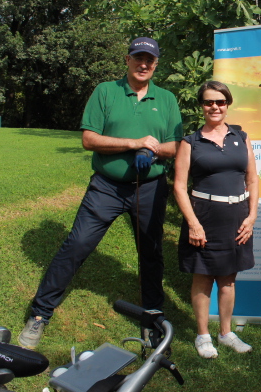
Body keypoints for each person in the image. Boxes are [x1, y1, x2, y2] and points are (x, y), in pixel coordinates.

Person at [18, 37, 183, 348]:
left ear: (156, 64)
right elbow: (89, 139)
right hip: (107, 187)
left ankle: (152, 318)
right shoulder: (106, 91)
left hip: (149, 189)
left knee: (151, 252)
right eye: (138, 58)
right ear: (127, 60)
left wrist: (153, 151)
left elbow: (176, 146)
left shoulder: (167, 99)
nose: (143, 64)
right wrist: (134, 143)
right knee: (77, 244)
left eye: (149, 60)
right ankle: (40, 313)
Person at [173, 81, 258, 359]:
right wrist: (193, 223)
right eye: (209, 102)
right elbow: (179, 186)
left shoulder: (241, 137)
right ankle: (202, 335)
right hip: (204, 218)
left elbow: (252, 179)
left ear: (227, 104)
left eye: (220, 102)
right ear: (202, 105)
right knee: (203, 277)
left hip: (236, 217)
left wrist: (252, 216)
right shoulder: (190, 142)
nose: (215, 107)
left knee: (228, 279)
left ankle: (225, 333)